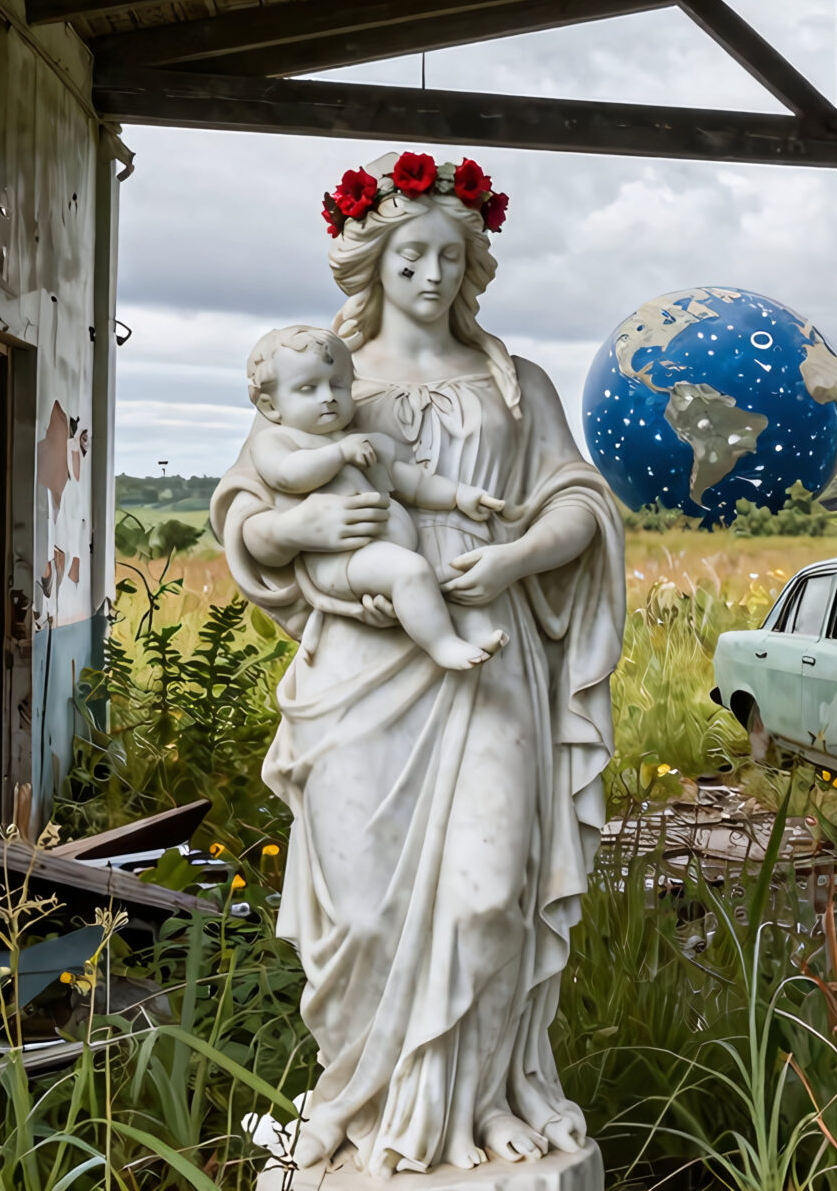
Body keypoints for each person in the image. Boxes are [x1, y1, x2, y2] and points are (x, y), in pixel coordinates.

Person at [213, 152, 622, 1176]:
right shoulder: (319, 385)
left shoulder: (514, 386)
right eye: (413, 257)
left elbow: (580, 503)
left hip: (485, 657)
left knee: (490, 893)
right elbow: (248, 524)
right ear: (371, 261)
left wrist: (519, 555)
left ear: (476, 265)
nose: (433, 276)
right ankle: (365, 1102)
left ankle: (481, 1104)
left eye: (452, 256)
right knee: (360, 914)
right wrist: (301, 520)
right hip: (357, 664)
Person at [240, 323, 508, 671]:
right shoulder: (279, 441)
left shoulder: (360, 442)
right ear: (270, 406)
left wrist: (458, 496)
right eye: (308, 388)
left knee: (444, 574)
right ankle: (444, 645)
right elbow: (288, 474)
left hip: (379, 553)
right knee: (409, 571)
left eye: (338, 385)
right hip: (340, 561)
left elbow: (412, 483)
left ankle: (464, 637)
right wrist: (339, 454)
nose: (328, 396)